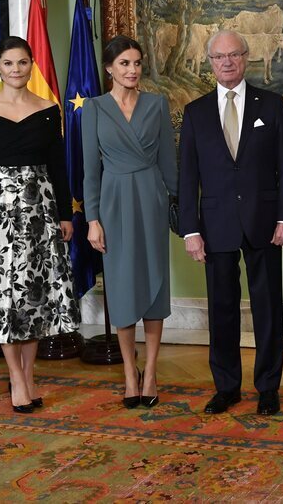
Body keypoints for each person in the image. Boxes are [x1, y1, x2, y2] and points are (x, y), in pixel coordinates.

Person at [179, 29, 283, 416]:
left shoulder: (272, 104)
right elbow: (187, 177)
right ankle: (226, 387)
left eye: (234, 55)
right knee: (222, 308)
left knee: (267, 307)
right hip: (214, 226)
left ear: (246, 58)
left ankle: (267, 388)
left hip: (265, 222)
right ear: (209, 62)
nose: (227, 62)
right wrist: (190, 229)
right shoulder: (195, 112)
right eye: (219, 57)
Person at [0, 36, 81, 413]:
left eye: (23, 63)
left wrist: (65, 214)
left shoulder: (48, 110)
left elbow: (59, 169)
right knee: (6, 298)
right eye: (9, 63)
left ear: (32, 66)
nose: (16, 69)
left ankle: (29, 376)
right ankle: (15, 378)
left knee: (34, 299)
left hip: (41, 214)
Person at [83, 36, 178, 409]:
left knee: (155, 285)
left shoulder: (157, 104)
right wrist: (93, 219)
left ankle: (151, 371)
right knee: (121, 288)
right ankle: (128, 372)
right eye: (124, 63)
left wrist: (184, 211)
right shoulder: (93, 108)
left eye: (137, 63)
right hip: (113, 204)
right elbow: (91, 172)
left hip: (152, 199)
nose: (132, 70)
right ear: (109, 68)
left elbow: (170, 165)